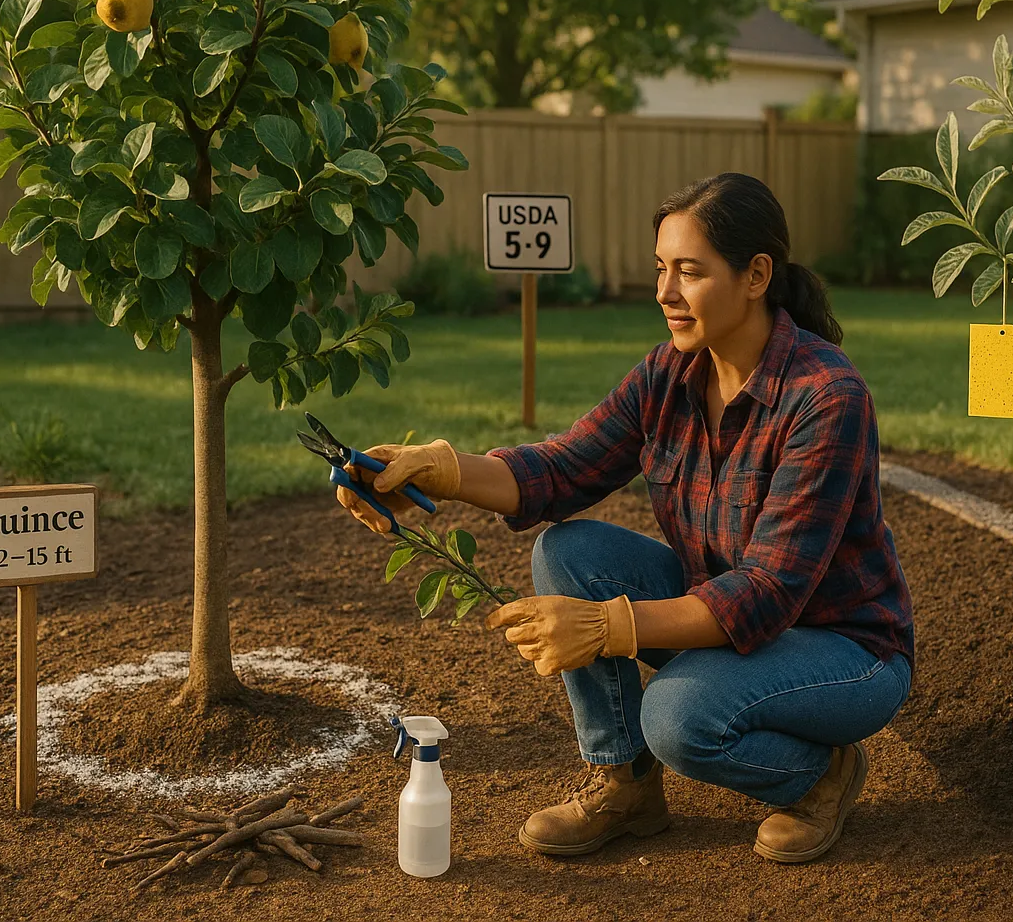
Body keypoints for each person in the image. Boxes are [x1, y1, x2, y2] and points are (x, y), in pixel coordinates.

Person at [338, 172, 914, 864]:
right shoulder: (668, 375)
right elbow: (559, 471)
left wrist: (608, 627)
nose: (666, 292)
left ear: (757, 274)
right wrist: (441, 468)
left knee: (675, 718)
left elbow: (769, 592)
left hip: (842, 650)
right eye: (661, 269)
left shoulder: (825, 396)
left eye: (690, 272)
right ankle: (626, 785)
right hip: (729, 619)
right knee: (567, 551)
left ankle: (822, 774)